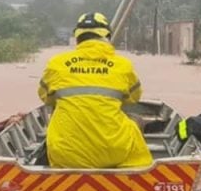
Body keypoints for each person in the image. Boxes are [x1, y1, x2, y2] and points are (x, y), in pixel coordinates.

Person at [38, 12, 153, 169]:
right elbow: (133, 98)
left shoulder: (57, 64)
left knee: (54, 118)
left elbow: (45, 97)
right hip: (114, 152)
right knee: (136, 121)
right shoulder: (123, 65)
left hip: (65, 155)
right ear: (107, 36)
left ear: (77, 37)